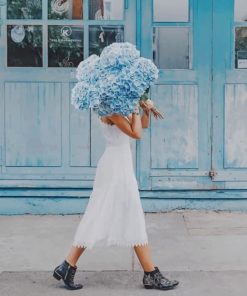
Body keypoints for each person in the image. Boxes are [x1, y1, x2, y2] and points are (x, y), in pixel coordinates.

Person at [52, 100, 179, 291]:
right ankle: (151, 274)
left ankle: (67, 265)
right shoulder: (109, 111)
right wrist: (136, 109)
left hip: (121, 165)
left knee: (127, 215)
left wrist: (146, 110)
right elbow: (136, 134)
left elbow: (142, 126)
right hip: (115, 169)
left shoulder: (118, 108)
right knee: (108, 214)